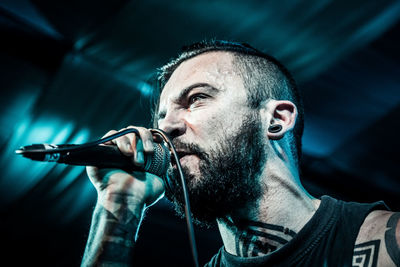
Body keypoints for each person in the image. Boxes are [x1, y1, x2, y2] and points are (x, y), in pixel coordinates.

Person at [81, 40, 399, 266]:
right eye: (161, 118)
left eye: (196, 99)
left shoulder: (388, 243)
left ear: (277, 119)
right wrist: (119, 202)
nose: (165, 129)